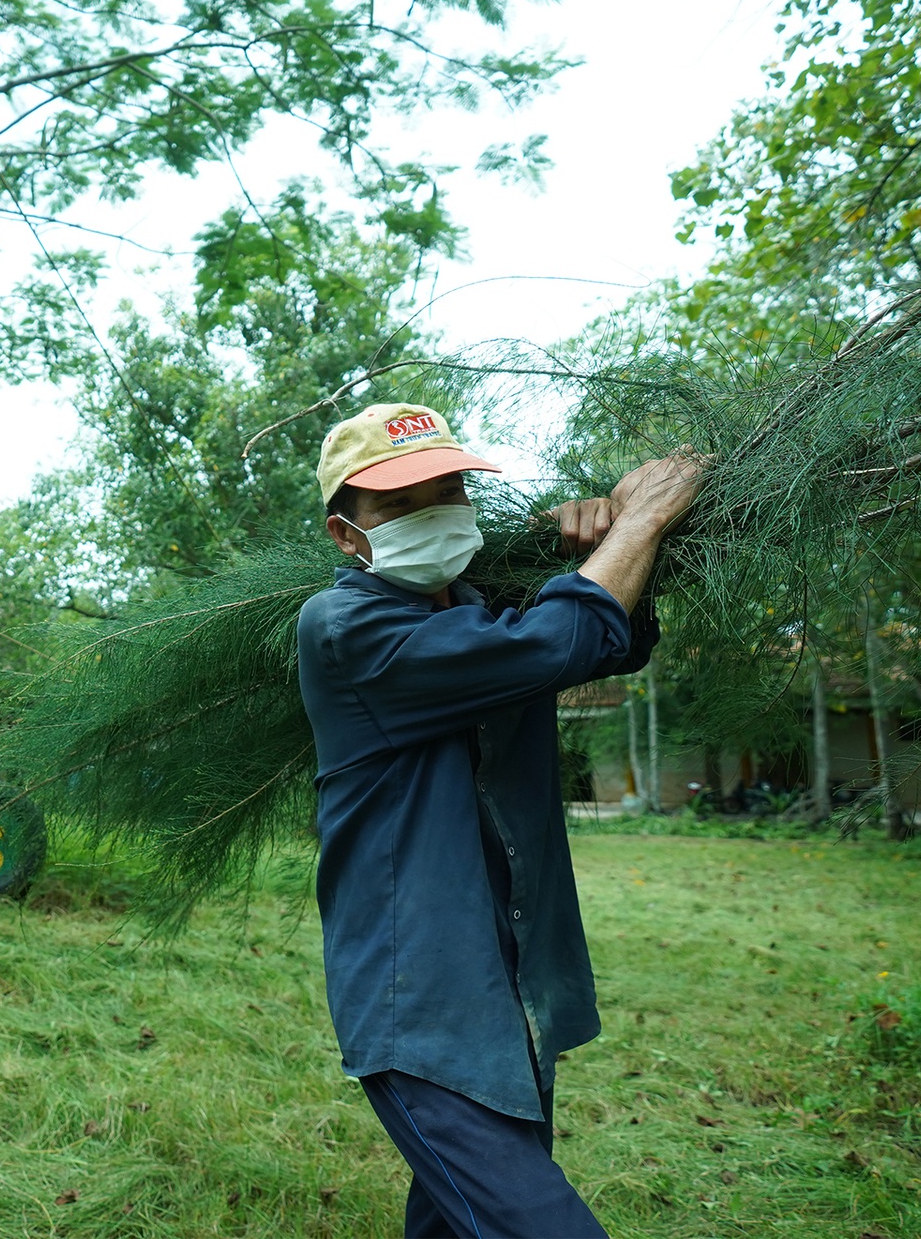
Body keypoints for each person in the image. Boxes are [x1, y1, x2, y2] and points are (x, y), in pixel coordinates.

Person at [296, 402, 703, 1238]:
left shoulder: (486, 609)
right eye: (399, 505)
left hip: (513, 988)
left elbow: (615, 636)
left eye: (447, 492)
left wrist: (599, 541)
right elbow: (568, 639)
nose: (432, 515)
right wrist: (646, 516)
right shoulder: (345, 629)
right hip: (425, 1010)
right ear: (348, 535)